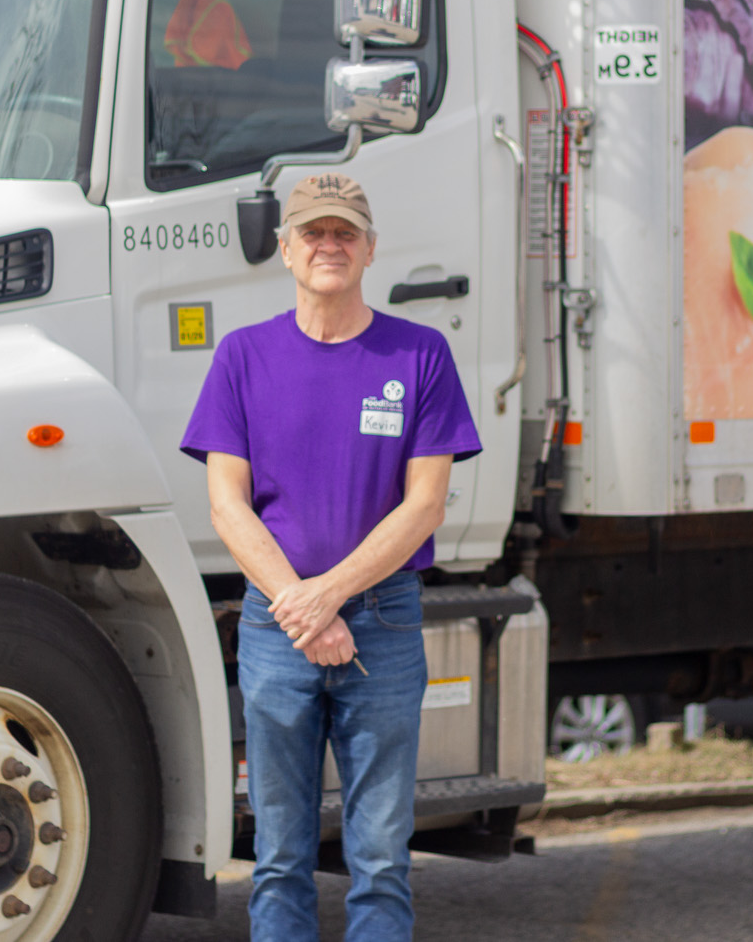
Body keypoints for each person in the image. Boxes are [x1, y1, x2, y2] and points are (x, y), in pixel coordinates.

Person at [182, 171, 481, 942]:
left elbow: (425, 504)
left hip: (381, 621)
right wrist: (302, 607)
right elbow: (226, 504)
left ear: (370, 248)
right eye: (313, 231)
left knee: (380, 856)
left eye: (345, 232)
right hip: (274, 627)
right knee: (279, 855)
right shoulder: (243, 357)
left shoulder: (420, 354)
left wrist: (328, 598)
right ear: (285, 249)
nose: (329, 245)